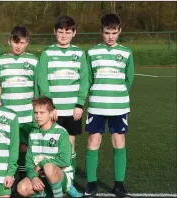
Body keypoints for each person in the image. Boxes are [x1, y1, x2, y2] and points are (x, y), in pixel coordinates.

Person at [83, 13, 134, 198]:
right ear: (101, 32)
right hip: (96, 105)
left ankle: (119, 185)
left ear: (119, 31)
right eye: (107, 32)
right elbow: (88, 78)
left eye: (114, 32)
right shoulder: (91, 52)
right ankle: (91, 184)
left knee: (118, 142)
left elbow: (129, 79)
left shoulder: (127, 53)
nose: (110, 36)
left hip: (119, 106)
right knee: (92, 142)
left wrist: (116, 93)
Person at [37, 15, 89, 180]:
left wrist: (80, 104)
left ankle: (69, 181)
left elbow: (84, 80)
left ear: (74, 33)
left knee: (70, 145)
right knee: (50, 145)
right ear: (55, 32)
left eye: (68, 32)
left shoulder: (79, 54)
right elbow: (43, 81)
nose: (64, 35)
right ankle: (50, 180)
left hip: (72, 110)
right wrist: (50, 107)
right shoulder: (47, 53)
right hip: (54, 111)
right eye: (60, 32)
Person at [0, 25, 38, 184]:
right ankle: (7, 177)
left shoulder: (33, 60)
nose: (19, 46)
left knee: (24, 146)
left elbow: (36, 87)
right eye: (16, 42)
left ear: (27, 43)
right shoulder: (0, 61)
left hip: (26, 114)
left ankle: (23, 178)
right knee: (7, 146)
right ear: (9, 41)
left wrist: (36, 110)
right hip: (7, 115)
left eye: (23, 42)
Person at [16, 96, 73, 198]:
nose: (38, 116)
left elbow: (65, 160)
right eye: (35, 112)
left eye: (42, 113)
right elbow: (29, 163)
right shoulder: (33, 134)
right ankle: (44, 195)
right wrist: (33, 178)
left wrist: (42, 163)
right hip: (41, 177)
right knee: (22, 188)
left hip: (61, 178)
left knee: (48, 167)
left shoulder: (61, 133)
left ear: (51, 113)